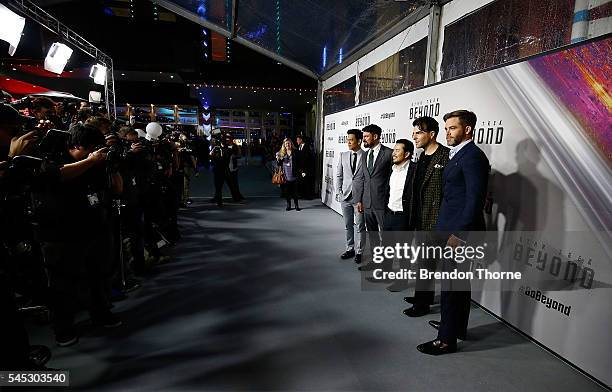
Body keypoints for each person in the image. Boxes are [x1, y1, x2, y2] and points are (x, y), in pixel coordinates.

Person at [417, 110, 489, 356]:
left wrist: (459, 235)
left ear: (467, 129)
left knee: (451, 286)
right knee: (458, 284)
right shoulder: (457, 155)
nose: (447, 132)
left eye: (452, 128)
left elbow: (474, 200)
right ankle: (456, 327)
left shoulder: (473, 157)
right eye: (446, 128)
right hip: (448, 228)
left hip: (459, 234)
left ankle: (446, 340)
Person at [403, 116, 450, 317]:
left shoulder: (446, 156)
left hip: (435, 219)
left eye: (419, 132)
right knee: (424, 262)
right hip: (419, 217)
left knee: (426, 263)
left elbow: (450, 192)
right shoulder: (420, 156)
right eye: (413, 133)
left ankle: (421, 305)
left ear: (432, 134)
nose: (414, 136)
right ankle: (425, 296)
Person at [353, 124, 393, 270]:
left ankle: (387, 266)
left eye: (366, 136)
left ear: (375, 136)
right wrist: (359, 200)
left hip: (383, 202)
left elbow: (392, 179)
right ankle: (376, 262)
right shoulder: (364, 154)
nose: (363, 139)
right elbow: (363, 178)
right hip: (366, 202)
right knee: (373, 235)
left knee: (386, 236)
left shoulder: (389, 153)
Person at [381, 138, 416, 290]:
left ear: (407, 154)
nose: (393, 153)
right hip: (389, 213)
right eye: (393, 150)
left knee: (403, 252)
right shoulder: (392, 168)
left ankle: (401, 282)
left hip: (403, 216)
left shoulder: (415, 169)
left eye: (397, 150)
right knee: (387, 247)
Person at [336, 129, 366, 264]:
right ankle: (350, 249)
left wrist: (363, 198)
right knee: (348, 225)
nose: (348, 142)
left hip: (359, 199)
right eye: (347, 139)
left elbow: (367, 179)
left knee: (360, 226)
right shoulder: (343, 155)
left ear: (359, 141)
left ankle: (360, 252)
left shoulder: (366, 156)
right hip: (345, 197)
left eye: (351, 139)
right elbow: (339, 175)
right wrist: (339, 192)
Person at [276, 138, 301, 211]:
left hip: (294, 173)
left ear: (291, 144)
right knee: (287, 192)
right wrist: (278, 159)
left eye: (289, 143)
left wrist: (300, 171)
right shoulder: (282, 153)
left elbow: (299, 162)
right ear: (284, 145)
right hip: (285, 174)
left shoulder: (295, 151)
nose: (287, 144)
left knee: (295, 191)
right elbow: (279, 164)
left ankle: (296, 205)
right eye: (286, 143)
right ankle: (288, 205)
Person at [296, 134, 314, 199]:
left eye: (298, 140)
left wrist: (304, 169)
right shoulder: (298, 147)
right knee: (301, 181)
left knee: (306, 182)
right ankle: (301, 194)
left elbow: (308, 158)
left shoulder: (307, 147)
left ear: (301, 140)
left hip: (306, 168)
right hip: (300, 168)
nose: (297, 141)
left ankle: (308, 195)